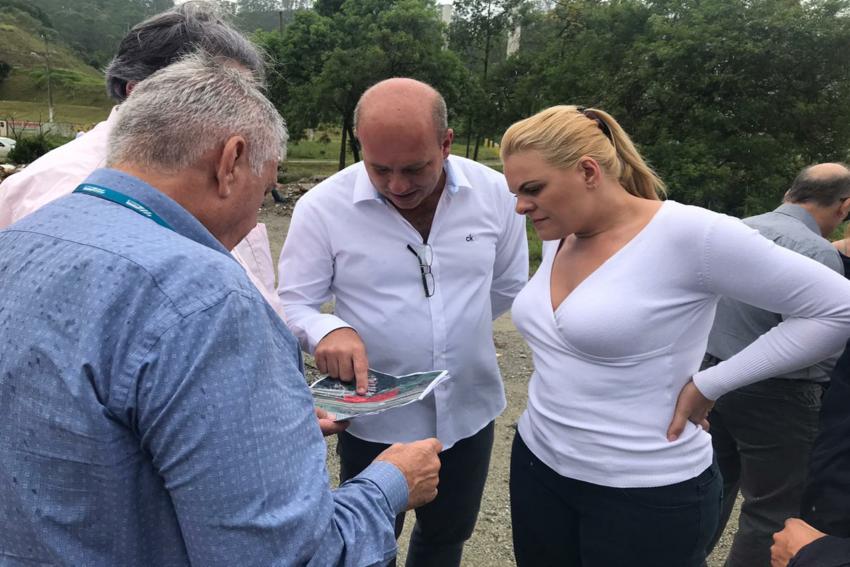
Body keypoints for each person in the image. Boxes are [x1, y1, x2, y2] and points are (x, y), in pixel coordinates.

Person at [0, 53, 444, 567]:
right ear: (230, 161)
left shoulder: (21, 237)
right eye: (267, 186)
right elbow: (281, 554)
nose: (257, 218)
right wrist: (390, 483)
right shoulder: (204, 296)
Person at [498, 105, 850, 567]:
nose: (520, 206)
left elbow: (836, 308)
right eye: (515, 192)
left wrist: (713, 383)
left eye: (532, 189)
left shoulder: (692, 234)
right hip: (538, 465)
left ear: (587, 171)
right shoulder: (559, 231)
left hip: (645, 491)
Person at [277, 78, 528, 566]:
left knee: (446, 537)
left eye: (415, 168)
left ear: (446, 143)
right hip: (375, 419)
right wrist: (330, 329)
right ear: (360, 147)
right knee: (369, 540)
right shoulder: (323, 208)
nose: (397, 186)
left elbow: (507, 285)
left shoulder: (495, 193)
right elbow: (291, 304)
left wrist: (452, 335)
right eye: (379, 169)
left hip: (469, 411)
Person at [0, 1, 284, 316]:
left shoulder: (214, 173)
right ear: (139, 92)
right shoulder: (67, 193)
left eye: (250, 96)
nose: (248, 114)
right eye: (219, 95)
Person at [703, 163, 850, 567]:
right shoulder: (816, 252)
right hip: (780, 397)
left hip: (712, 379)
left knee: (713, 486)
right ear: (843, 206)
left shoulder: (733, 227)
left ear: (791, 191)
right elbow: (822, 340)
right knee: (772, 510)